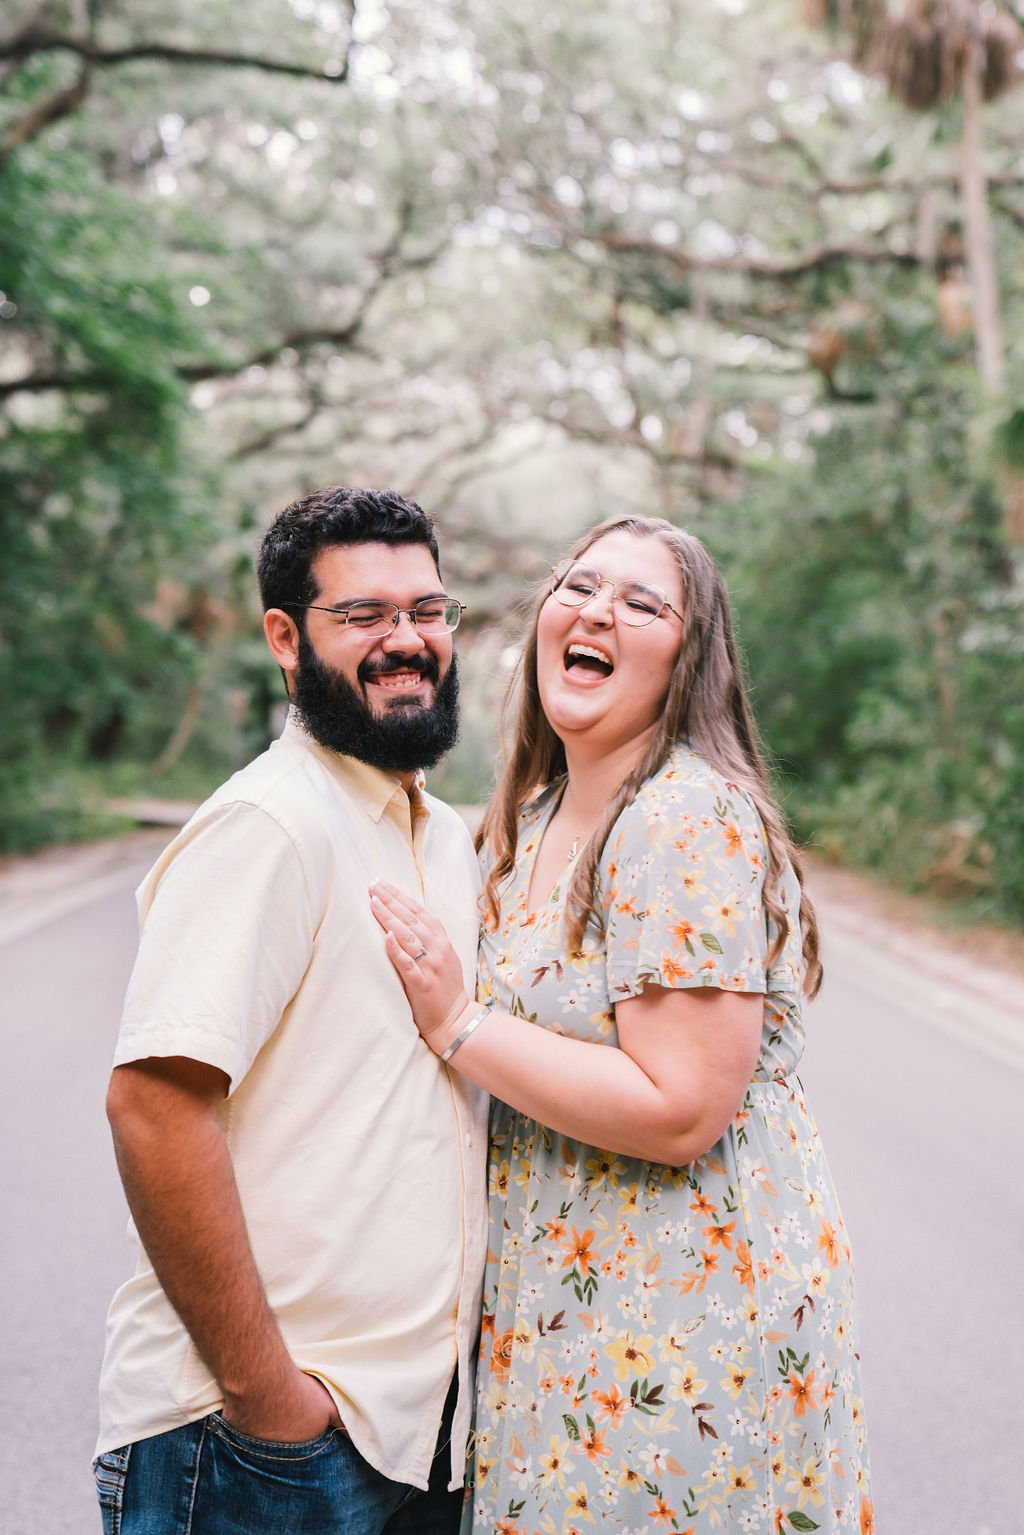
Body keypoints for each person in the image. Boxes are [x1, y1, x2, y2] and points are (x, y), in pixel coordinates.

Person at [370, 514, 873, 1534]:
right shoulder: (536, 816)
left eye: (643, 603)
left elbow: (680, 1105)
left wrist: (457, 1024)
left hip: (682, 1322)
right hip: (560, 1312)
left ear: (688, 662)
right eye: (580, 585)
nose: (598, 609)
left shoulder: (681, 817)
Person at [93, 486, 488, 1535]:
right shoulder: (272, 823)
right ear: (283, 636)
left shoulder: (443, 836)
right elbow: (152, 1107)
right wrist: (270, 1400)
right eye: (363, 616)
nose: (406, 641)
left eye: (427, 610)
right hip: (256, 1442)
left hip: (414, 1437)